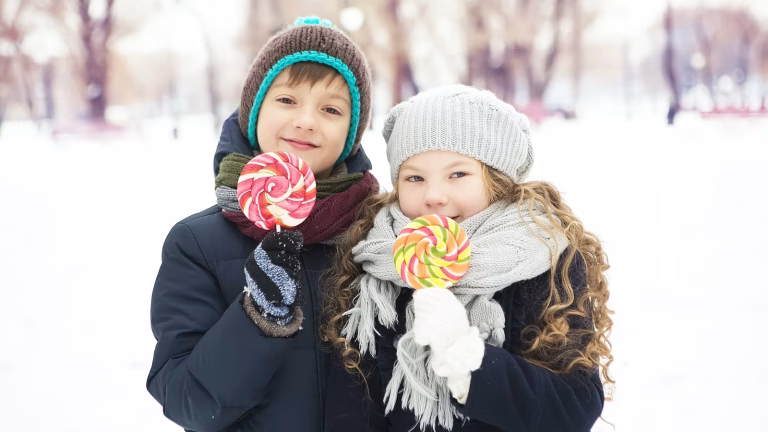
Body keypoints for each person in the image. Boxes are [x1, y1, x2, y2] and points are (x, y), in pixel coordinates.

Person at [322, 85, 614, 432]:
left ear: (496, 180)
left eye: (457, 174)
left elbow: (575, 406)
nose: (433, 196)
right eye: (414, 177)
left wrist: (469, 359)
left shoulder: (546, 259)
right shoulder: (374, 264)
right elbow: (352, 407)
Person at [146, 17, 378, 432]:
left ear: (351, 133)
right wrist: (257, 318)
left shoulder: (381, 238)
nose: (306, 120)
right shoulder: (196, 244)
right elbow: (189, 402)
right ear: (253, 112)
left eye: (330, 109)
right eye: (287, 100)